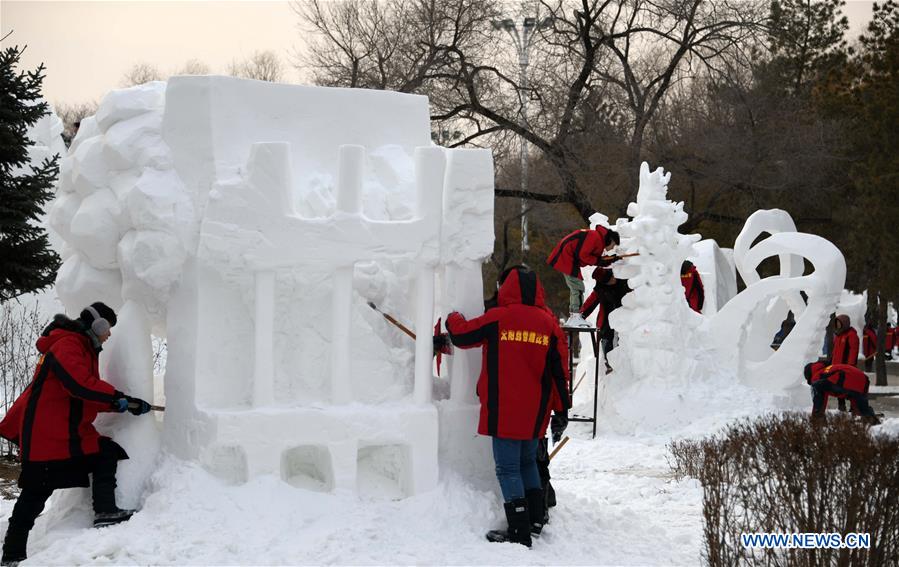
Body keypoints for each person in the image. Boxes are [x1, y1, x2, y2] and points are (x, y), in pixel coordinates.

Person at [0, 303, 152, 566]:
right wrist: (119, 398)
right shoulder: (68, 345)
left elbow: (84, 394)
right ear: (97, 325)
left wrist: (123, 403)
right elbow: (80, 385)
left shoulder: (81, 347)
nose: (109, 334)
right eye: (108, 328)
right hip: (47, 435)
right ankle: (12, 555)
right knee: (35, 493)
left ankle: (104, 511)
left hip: (62, 433)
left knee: (103, 452)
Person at [445, 266, 571, 548]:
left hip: (504, 408)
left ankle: (518, 530)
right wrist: (562, 410)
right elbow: (559, 372)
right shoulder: (548, 323)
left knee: (507, 468)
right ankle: (535, 520)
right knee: (527, 463)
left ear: (507, 287)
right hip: (535, 410)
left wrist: (453, 318)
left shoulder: (498, 317)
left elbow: (462, 336)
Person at [547, 226, 620, 327]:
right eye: (613, 245)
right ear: (610, 240)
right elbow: (584, 255)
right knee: (578, 287)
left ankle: (574, 317)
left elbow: (589, 256)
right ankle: (576, 316)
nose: (612, 248)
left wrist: (605, 260)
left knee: (576, 287)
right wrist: (600, 261)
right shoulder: (596, 237)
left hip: (567, 256)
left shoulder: (596, 237)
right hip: (567, 257)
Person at [804, 362, 879, 425]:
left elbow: (820, 397)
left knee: (817, 387)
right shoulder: (828, 369)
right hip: (863, 379)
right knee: (861, 407)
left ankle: (818, 419)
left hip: (845, 377)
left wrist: (816, 414)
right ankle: (872, 420)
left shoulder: (817, 375)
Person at [580, 267, 630, 362]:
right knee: (606, 338)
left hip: (624, 316)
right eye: (609, 281)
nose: (613, 280)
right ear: (604, 283)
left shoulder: (622, 279)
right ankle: (607, 362)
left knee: (623, 339)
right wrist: (581, 315)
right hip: (606, 318)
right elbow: (590, 303)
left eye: (612, 277)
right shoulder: (600, 289)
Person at [828, 314, 859, 412]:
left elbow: (853, 350)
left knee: (849, 387)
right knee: (838, 387)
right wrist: (831, 362)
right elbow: (835, 351)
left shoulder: (851, 335)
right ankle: (841, 406)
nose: (837, 325)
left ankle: (853, 407)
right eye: (836, 323)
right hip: (837, 367)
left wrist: (850, 366)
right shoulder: (838, 335)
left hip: (846, 367)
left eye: (839, 323)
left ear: (844, 323)